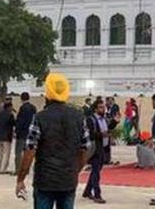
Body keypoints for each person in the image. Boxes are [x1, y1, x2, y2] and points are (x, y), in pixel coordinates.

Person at [16, 72, 91, 209]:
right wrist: (75, 171)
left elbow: (30, 151)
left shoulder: (39, 118)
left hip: (45, 181)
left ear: (47, 93)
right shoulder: (79, 118)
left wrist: (21, 179)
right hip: (68, 181)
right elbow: (85, 149)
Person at [82, 98, 119, 203]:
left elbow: (107, 129)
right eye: (100, 107)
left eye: (104, 107)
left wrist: (115, 122)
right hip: (95, 149)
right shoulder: (91, 120)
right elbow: (89, 134)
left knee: (96, 171)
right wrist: (101, 134)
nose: (103, 109)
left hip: (103, 148)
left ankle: (87, 191)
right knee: (96, 172)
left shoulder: (104, 119)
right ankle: (97, 195)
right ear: (95, 109)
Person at [15, 92, 37, 172]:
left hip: (22, 134)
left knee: (18, 153)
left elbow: (20, 121)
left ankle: (18, 170)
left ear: (21, 98)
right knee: (27, 153)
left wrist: (16, 131)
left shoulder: (23, 108)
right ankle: (26, 169)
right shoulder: (33, 108)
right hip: (31, 133)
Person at [0, 100, 16, 174]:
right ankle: (3, 169)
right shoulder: (10, 115)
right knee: (6, 153)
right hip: (6, 136)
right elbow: (14, 124)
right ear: (9, 107)